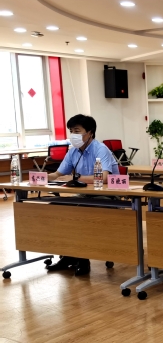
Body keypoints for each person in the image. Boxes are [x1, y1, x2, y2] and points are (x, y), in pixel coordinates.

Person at [46, 114, 120, 275]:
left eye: (77, 131)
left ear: (90, 133)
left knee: (81, 211)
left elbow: (104, 178)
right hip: (84, 195)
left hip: (108, 197)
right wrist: (42, 178)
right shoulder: (73, 151)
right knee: (56, 207)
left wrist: (76, 177)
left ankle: (82, 258)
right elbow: (58, 174)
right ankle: (68, 255)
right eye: (71, 131)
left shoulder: (100, 149)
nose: (73, 135)